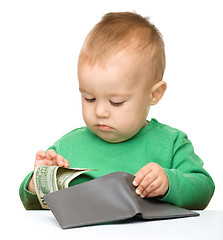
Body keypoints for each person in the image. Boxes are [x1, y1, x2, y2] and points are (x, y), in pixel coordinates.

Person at [19, 12, 215, 210]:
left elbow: (204, 189)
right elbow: (33, 207)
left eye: (116, 102)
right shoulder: (67, 148)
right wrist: (37, 182)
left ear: (154, 94)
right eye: (89, 98)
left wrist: (169, 183)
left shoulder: (171, 144)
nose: (100, 111)